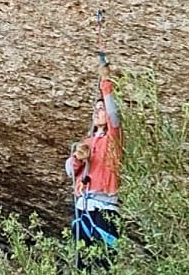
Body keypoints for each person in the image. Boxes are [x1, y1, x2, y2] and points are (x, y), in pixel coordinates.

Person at [66, 63, 122, 268]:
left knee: (104, 261)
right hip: (83, 208)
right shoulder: (86, 143)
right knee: (83, 262)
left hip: (105, 208)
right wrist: (79, 158)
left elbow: (114, 116)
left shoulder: (113, 140)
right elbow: (70, 171)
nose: (98, 112)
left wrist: (105, 83)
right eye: (95, 109)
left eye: (101, 109)